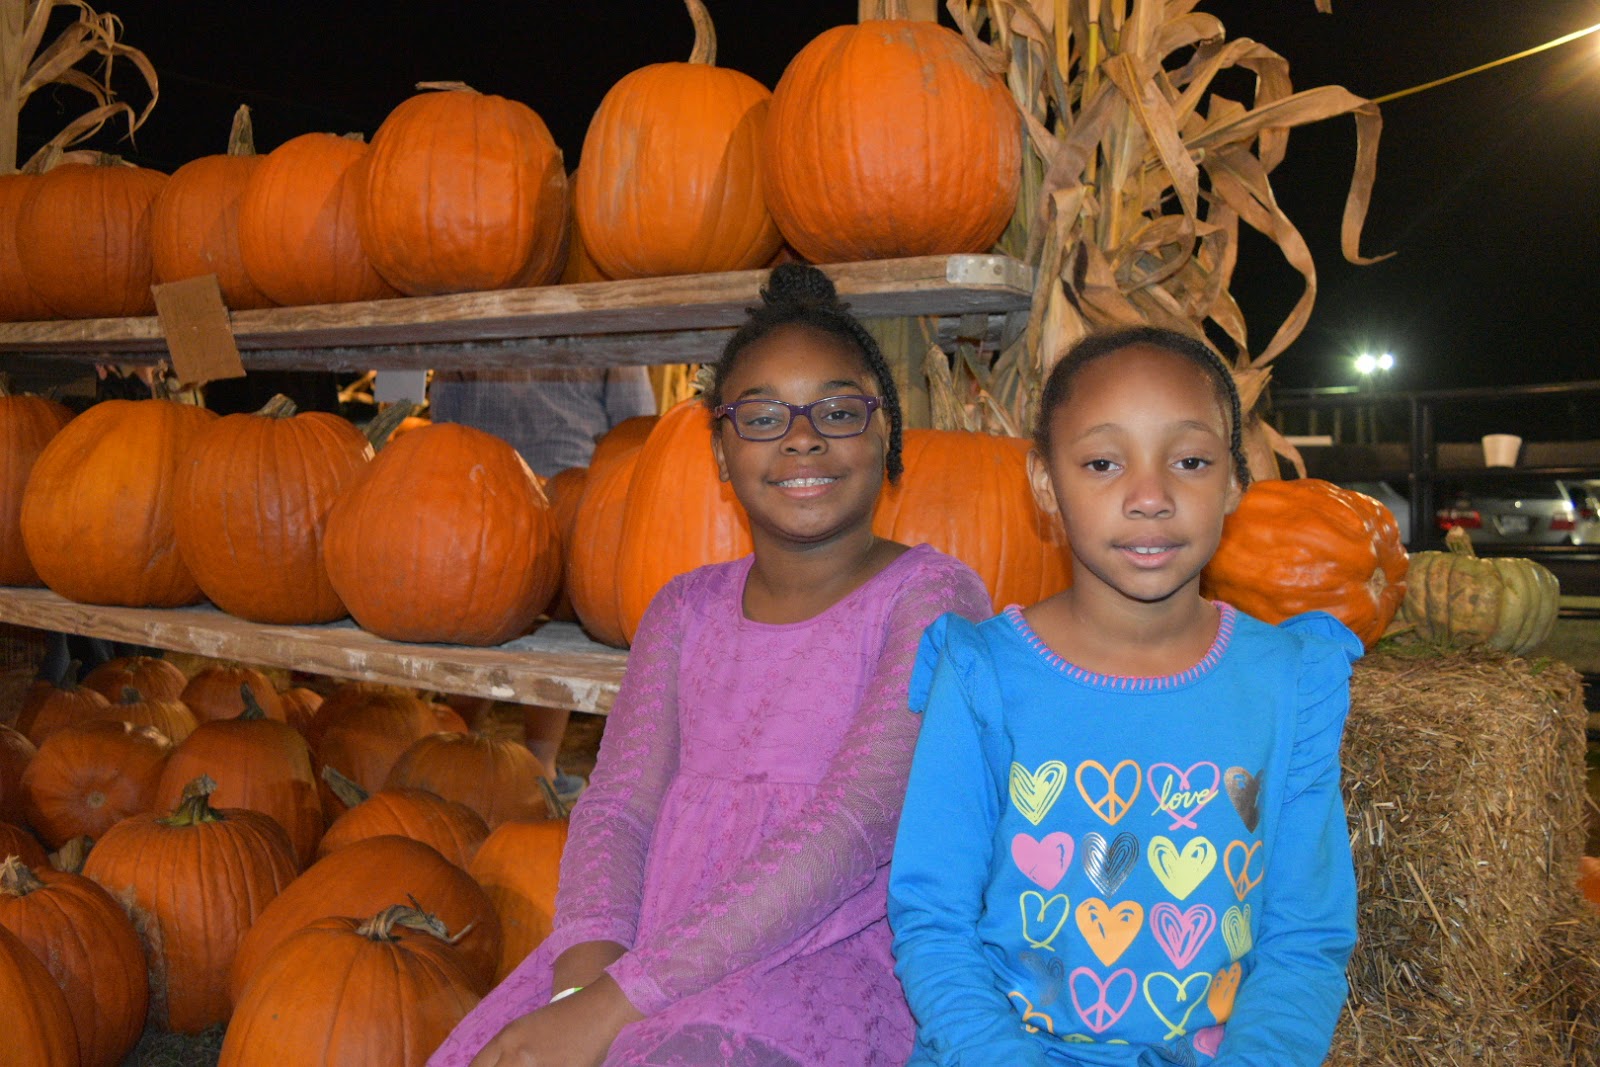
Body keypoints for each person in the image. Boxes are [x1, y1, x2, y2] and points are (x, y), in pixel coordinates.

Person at [428, 264, 992, 1067]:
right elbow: (618, 806)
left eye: (838, 410)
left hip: (817, 957)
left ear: (886, 435)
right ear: (722, 455)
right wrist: (580, 990)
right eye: (762, 416)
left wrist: (615, 1006)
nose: (803, 436)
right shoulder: (685, 609)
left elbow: (849, 833)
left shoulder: (932, 600)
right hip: (652, 946)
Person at [888, 326, 1361, 1066]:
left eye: (1191, 461)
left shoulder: (1288, 681)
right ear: (1045, 484)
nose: (1150, 497)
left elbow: (1305, 938)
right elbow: (933, 922)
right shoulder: (985, 674)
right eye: (1104, 462)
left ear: (1235, 480)